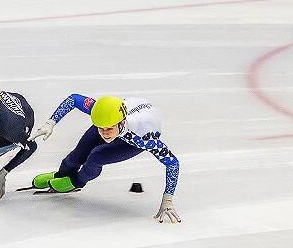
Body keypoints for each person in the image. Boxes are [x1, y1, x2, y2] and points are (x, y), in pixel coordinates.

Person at [29, 94, 181, 223]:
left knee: (96, 156)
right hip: (120, 118)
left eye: (109, 129)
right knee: (77, 154)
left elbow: (173, 163)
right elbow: (73, 99)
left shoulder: (143, 137)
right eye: (101, 128)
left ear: (122, 123)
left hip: (134, 138)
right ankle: (60, 175)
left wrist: (167, 200)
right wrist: (50, 124)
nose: (105, 133)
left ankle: (76, 182)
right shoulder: (103, 113)